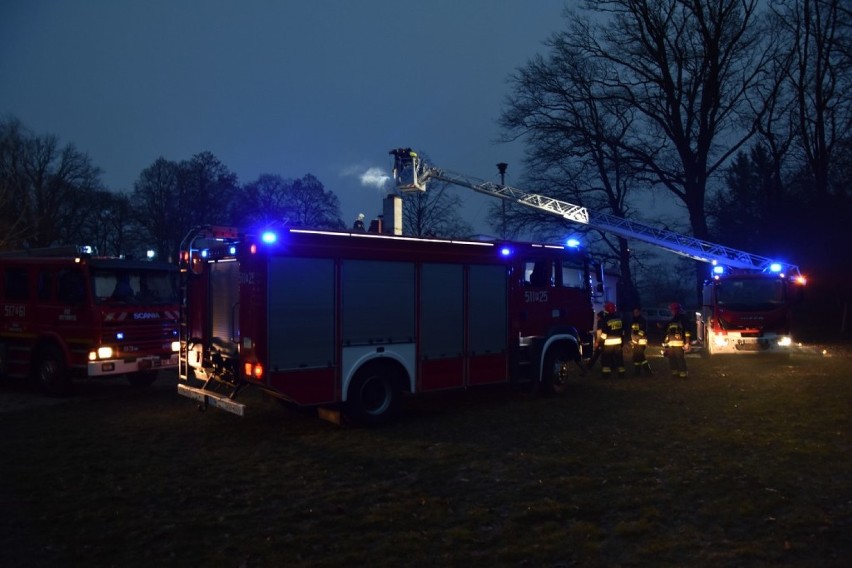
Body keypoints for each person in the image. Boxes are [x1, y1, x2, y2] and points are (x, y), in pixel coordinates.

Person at [663, 302, 691, 378]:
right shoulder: (673, 319)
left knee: (679, 359)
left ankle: (683, 374)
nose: (671, 311)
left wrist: (687, 342)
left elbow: (687, 331)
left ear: (675, 310)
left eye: (671, 310)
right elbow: (668, 330)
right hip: (671, 344)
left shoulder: (683, 319)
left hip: (679, 344)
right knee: (672, 358)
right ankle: (675, 373)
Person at [598, 302, 625, 378]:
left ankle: (606, 375)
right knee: (619, 359)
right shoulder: (619, 319)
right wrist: (622, 342)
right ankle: (622, 373)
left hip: (608, 344)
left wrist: (601, 344)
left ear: (606, 310)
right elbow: (622, 332)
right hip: (618, 343)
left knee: (606, 359)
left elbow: (604, 334)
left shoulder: (605, 319)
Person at [630, 306, 652, 376]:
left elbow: (642, 330)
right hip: (636, 341)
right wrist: (632, 339)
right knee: (636, 356)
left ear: (640, 312)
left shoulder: (642, 320)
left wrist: (637, 338)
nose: (635, 313)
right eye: (634, 312)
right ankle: (637, 371)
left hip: (641, 341)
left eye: (636, 312)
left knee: (640, 356)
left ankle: (648, 371)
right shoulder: (634, 320)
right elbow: (633, 331)